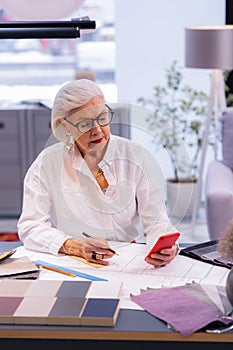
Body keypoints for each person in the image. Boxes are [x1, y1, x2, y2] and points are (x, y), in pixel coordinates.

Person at [17, 79, 180, 268]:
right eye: (85, 124)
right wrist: (75, 247)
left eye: (102, 118)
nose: (98, 130)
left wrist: (166, 246)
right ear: (64, 126)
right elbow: (30, 226)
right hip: (75, 262)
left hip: (129, 262)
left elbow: (157, 221)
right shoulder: (47, 163)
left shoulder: (135, 156)